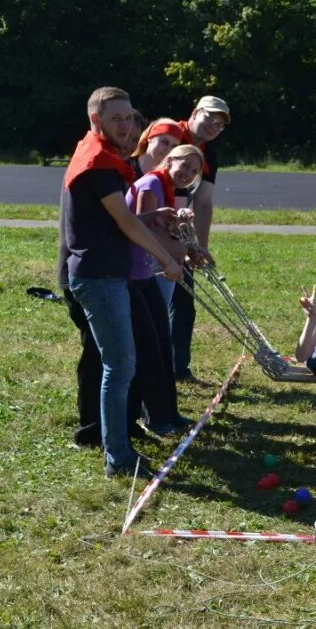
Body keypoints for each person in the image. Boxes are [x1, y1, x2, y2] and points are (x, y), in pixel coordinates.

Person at [59, 86, 183, 479]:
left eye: (129, 117)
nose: (126, 124)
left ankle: (118, 445)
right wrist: (165, 258)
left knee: (120, 363)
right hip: (99, 278)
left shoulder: (98, 150)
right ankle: (118, 457)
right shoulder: (98, 162)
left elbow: (114, 221)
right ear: (96, 120)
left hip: (106, 273)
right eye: (117, 118)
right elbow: (124, 222)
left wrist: (152, 218)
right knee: (120, 365)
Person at [124, 144, 202, 436]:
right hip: (135, 275)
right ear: (169, 160)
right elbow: (144, 233)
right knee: (151, 347)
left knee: (161, 342)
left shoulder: (165, 187)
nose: (187, 174)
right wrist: (181, 254)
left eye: (193, 171)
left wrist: (190, 247)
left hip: (147, 273)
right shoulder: (152, 184)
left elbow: (162, 230)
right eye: (184, 165)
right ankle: (154, 416)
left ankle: (167, 412)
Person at [170, 95, 230, 381]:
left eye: (220, 124)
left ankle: (177, 367)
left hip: (178, 229)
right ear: (195, 113)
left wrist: (199, 247)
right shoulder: (168, 133)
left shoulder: (210, 155)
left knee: (184, 301)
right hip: (150, 225)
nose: (213, 126)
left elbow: (203, 203)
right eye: (210, 117)